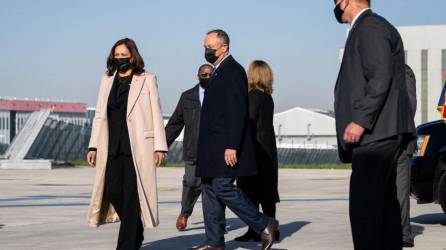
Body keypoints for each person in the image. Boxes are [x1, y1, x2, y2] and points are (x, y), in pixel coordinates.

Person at [333, 0, 414, 249]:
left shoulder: (369, 27)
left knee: (364, 211)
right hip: (380, 134)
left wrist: (360, 120)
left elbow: (380, 76)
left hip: (375, 136)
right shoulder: (370, 27)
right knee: (385, 210)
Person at [190, 29, 278, 250]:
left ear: (224, 47)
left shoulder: (233, 72)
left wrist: (232, 145)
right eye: (205, 46)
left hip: (223, 146)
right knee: (209, 191)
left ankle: (264, 223)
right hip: (211, 147)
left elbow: (237, 111)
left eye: (209, 47)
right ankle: (214, 242)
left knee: (222, 187)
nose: (206, 50)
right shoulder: (219, 72)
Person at [86, 38, 168, 250]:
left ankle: (126, 245)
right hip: (111, 146)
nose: (120, 59)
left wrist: (160, 146)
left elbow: (155, 112)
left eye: (124, 55)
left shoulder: (147, 79)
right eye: (117, 56)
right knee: (112, 190)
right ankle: (136, 229)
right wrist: (93, 145)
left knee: (132, 197)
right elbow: (99, 115)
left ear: (133, 56)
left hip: (137, 147)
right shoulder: (107, 79)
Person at [235, 60, 280, 242]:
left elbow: (249, 121)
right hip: (268, 147)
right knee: (267, 191)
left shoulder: (253, 96)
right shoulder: (267, 97)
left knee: (250, 190)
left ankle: (255, 229)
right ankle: (271, 229)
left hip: (255, 148)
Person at [165, 64, 213, 231]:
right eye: (203, 74)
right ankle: (184, 213)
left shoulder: (219, 95)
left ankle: (214, 225)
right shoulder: (187, 97)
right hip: (193, 150)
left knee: (212, 189)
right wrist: (161, 146)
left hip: (214, 152)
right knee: (191, 183)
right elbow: (175, 123)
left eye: (210, 74)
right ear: (197, 76)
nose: (206, 77)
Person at [396, 64, 417, 248]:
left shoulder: (404, 71)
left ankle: (404, 233)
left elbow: (410, 105)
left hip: (402, 143)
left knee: (400, 191)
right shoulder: (381, 71)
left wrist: (397, 135)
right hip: (382, 143)